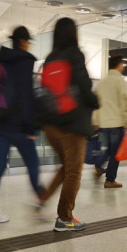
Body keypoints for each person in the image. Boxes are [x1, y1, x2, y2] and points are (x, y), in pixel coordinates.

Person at [39, 17, 99, 231]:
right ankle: (64, 218)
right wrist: (94, 102)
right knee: (74, 171)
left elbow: (44, 90)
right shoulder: (75, 54)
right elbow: (84, 84)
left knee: (66, 167)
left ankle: (43, 197)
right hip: (72, 123)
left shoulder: (49, 58)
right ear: (74, 34)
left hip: (51, 124)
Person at [0, 26, 44, 225]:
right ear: (24, 42)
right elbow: (26, 96)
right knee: (33, 163)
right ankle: (40, 205)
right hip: (18, 126)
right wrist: (31, 128)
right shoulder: (25, 61)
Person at [92, 54, 127, 188]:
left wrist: (95, 120)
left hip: (103, 123)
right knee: (115, 153)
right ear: (119, 65)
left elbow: (95, 104)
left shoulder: (101, 83)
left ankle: (98, 166)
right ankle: (110, 179)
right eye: (123, 64)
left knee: (109, 149)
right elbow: (124, 103)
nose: (123, 67)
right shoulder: (120, 82)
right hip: (116, 123)